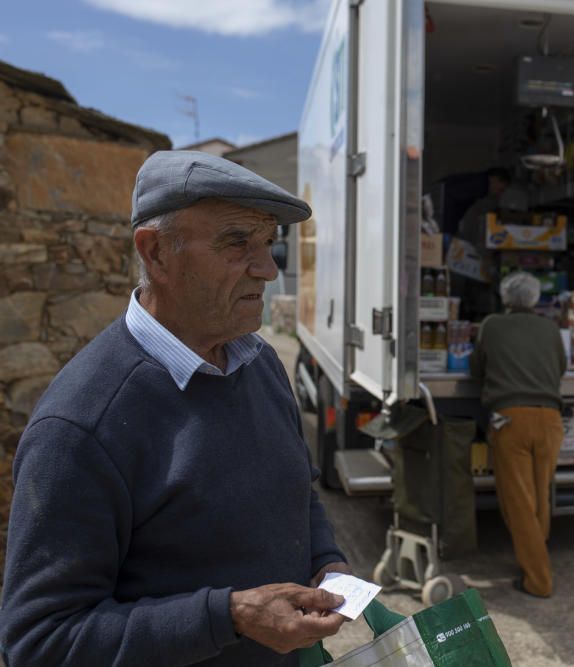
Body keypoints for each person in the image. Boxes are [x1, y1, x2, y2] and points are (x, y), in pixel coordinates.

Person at [0, 151, 352, 666]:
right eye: (237, 243)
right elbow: (40, 643)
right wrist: (227, 616)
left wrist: (325, 560)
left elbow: (300, 490)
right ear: (156, 251)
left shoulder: (258, 363)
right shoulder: (80, 426)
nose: (268, 269)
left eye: (269, 242)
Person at [469, 272, 567, 598]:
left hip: (510, 420)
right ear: (535, 299)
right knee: (540, 499)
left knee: (519, 504)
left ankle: (538, 580)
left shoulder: (492, 325)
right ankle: (534, 562)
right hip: (550, 419)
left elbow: (476, 369)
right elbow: (561, 367)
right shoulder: (551, 329)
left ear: (505, 298)